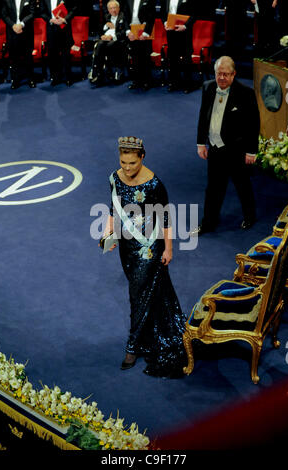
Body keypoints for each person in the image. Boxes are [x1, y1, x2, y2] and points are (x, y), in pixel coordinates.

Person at [101, 136, 186, 378]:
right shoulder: (115, 178)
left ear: (142, 157)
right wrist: (109, 233)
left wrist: (169, 249)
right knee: (146, 293)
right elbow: (112, 207)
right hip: (127, 248)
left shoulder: (154, 184)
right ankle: (151, 333)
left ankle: (132, 347)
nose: (127, 168)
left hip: (149, 249)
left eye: (132, 163)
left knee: (137, 295)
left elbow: (166, 220)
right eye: (123, 162)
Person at [195, 56, 260, 234]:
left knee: (242, 185)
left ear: (233, 74)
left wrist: (251, 151)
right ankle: (208, 222)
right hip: (215, 148)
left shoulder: (245, 93)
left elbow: (253, 124)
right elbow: (203, 117)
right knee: (213, 189)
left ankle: (250, 216)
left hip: (236, 150)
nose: (221, 78)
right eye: (218, 74)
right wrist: (201, 142)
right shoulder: (208, 87)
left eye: (225, 74)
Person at [160, 0, 197, 93]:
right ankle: (174, 83)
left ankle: (188, 85)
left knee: (186, 58)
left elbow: (194, 14)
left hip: (184, 33)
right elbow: (163, 12)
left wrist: (185, 26)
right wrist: (165, 23)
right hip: (170, 32)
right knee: (172, 58)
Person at [39, 0, 77, 86]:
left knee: (66, 54)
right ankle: (55, 77)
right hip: (51, 28)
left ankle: (68, 77)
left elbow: (74, 9)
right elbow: (42, 12)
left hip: (64, 28)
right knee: (52, 54)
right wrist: (50, 20)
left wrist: (65, 19)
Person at [89, 0, 127, 86]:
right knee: (99, 44)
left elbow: (125, 31)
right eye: (111, 8)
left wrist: (112, 37)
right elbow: (100, 30)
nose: (113, 10)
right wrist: (104, 31)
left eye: (115, 8)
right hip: (106, 40)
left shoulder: (123, 16)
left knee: (109, 45)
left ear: (119, 8)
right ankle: (98, 73)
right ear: (108, 10)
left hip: (119, 40)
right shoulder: (107, 17)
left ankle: (115, 71)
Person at [1, 0, 36, 89]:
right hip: (12, 32)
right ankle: (15, 81)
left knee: (28, 57)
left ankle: (31, 79)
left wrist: (21, 24)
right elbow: (4, 15)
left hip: (26, 31)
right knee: (13, 58)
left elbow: (32, 13)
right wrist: (13, 25)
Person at [123, 0, 155, 90]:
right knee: (135, 58)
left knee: (145, 58)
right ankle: (136, 81)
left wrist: (145, 33)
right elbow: (125, 17)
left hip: (144, 32)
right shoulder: (128, 1)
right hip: (132, 32)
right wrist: (128, 31)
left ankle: (147, 81)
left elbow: (151, 17)